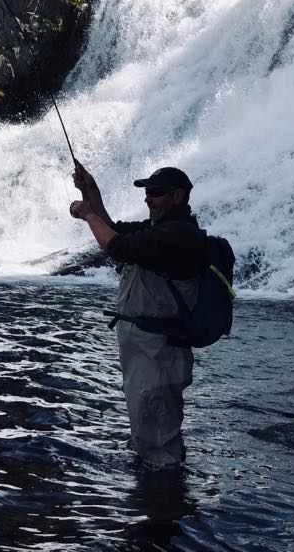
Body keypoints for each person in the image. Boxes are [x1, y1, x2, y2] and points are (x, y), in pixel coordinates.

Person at [68, 161, 206, 470]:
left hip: (158, 350)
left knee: (158, 439)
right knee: (149, 424)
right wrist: (92, 193)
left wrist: (87, 214)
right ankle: (157, 494)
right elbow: (115, 230)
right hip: (147, 349)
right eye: (147, 192)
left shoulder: (178, 236)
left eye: (156, 192)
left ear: (178, 197)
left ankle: (163, 504)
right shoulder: (159, 231)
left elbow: (116, 246)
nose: (148, 198)